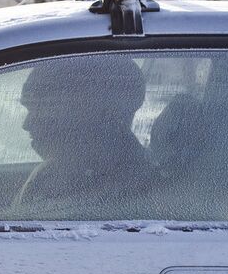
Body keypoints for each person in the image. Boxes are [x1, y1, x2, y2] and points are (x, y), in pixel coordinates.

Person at [13, 54, 152, 209]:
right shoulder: (51, 173)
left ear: (94, 112)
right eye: (30, 109)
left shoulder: (135, 193)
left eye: (43, 109)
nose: (27, 124)